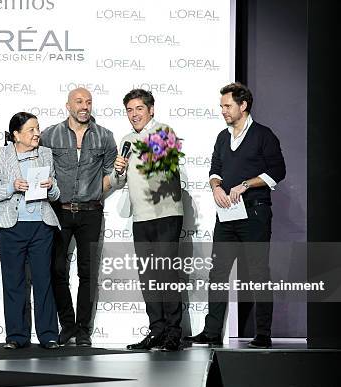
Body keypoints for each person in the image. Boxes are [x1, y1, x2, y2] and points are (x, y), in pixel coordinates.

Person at [183, 82, 286, 349]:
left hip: (255, 213)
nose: (223, 111)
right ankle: (212, 330)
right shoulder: (221, 136)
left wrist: (247, 184)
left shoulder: (264, 135)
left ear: (243, 105)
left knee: (258, 273)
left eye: (227, 106)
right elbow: (214, 168)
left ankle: (263, 333)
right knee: (217, 273)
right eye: (221, 106)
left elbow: (278, 171)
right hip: (226, 215)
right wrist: (216, 186)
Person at [40, 87, 117, 346]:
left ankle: (84, 330)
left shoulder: (105, 136)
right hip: (58, 211)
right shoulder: (50, 135)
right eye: (79, 101)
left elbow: (111, 174)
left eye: (89, 102)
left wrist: (94, 191)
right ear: (68, 105)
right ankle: (68, 324)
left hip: (91, 213)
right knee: (57, 269)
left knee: (87, 273)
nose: (85, 106)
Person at [111, 89, 184, 351]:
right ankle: (157, 330)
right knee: (149, 277)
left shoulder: (164, 131)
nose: (134, 115)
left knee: (166, 274)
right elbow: (121, 182)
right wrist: (118, 171)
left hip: (165, 214)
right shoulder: (127, 140)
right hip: (141, 217)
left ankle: (174, 332)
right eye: (129, 110)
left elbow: (166, 169)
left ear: (151, 110)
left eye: (139, 109)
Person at [0, 112, 61, 350]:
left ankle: (49, 335)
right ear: (16, 135)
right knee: (13, 281)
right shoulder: (0, 155)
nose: (37, 133)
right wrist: (12, 186)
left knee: (43, 281)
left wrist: (50, 188)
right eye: (31, 130)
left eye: (37, 128)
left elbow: (56, 194)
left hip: (41, 225)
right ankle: (16, 336)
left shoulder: (46, 154)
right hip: (11, 225)